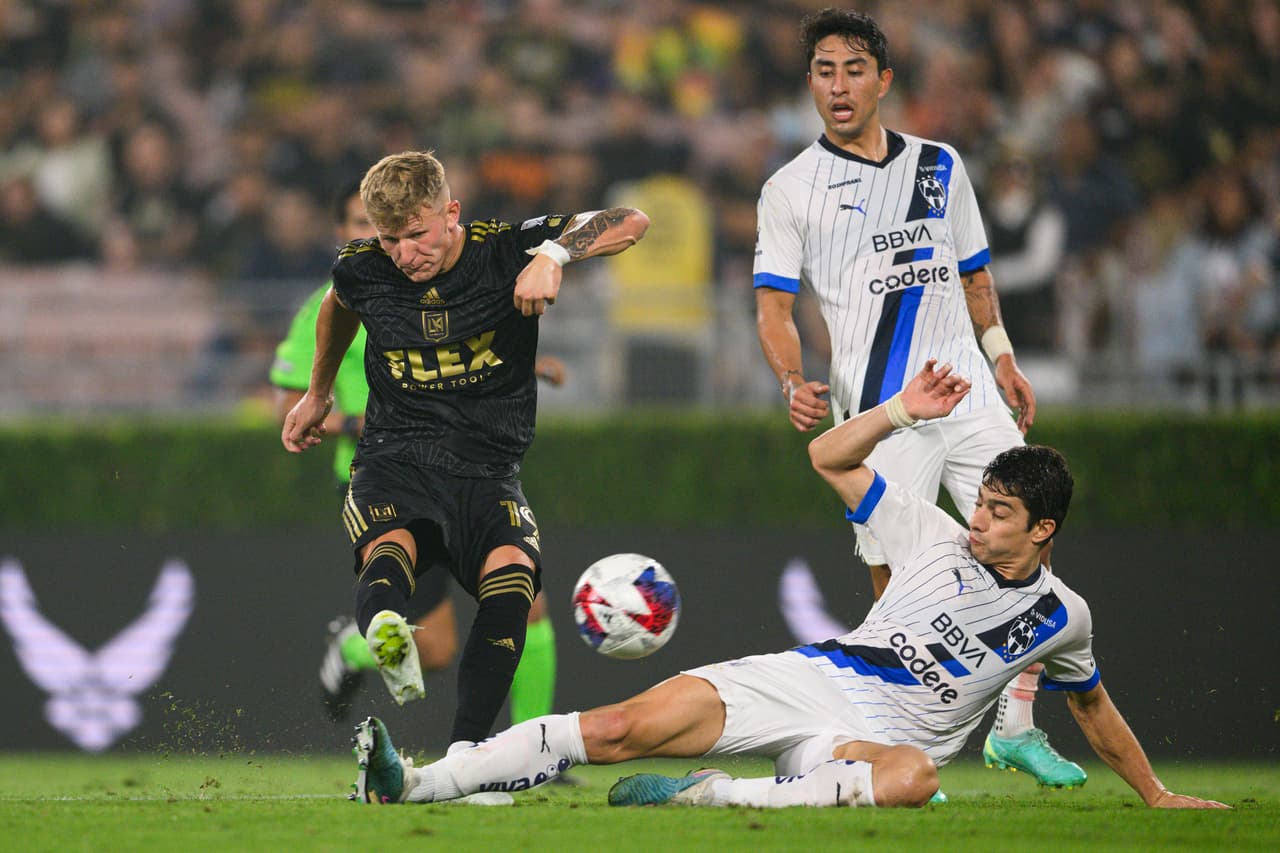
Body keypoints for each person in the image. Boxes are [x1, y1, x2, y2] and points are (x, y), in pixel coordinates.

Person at [348, 360, 1227, 811]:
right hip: (810, 676)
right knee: (619, 727)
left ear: (1044, 531)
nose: (982, 518)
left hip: (866, 746)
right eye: (984, 501)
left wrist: (1154, 794)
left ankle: (713, 799)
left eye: (1001, 512)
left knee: (916, 780)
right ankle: (415, 784)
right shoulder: (934, 532)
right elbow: (825, 455)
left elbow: (1096, 709)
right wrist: (898, 415)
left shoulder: (1062, 616)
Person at [751, 8, 1075, 787]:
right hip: (880, 410)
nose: (839, 85)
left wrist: (1003, 359)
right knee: (898, 590)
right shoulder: (791, 188)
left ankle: (1017, 723)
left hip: (964, 391)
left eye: (854, 69)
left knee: (1031, 532)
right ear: (811, 83)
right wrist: (793, 382)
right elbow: (773, 308)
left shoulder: (941, 164)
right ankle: (877, 741)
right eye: (825, 70)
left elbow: (974, 275)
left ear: (883, 80)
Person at [282, 151, 649, 751]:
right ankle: (382, 632)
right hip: (393, 458)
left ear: (451, 213)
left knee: (514, 582)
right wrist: (317, 393)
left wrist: (555, 255)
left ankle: (467, 755)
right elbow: (338, 304)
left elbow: (631, 220)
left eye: (417, 234)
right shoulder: (364, 267)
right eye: (391, 239)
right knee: (392, 546)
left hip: (486, 471)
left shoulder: (505, 250)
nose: (405, 254)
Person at [271, 179, 568, 726]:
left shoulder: (442, 275)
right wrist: (342, 415)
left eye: (408, 231)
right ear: (347, 235)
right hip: (387, 473)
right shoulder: (339, 297)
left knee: (512, 608)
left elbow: (452, 358)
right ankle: (358, 645)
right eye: (373, 231)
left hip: (464, 469)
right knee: (431, 646)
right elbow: (290, 401)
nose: (400, 250)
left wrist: (524, 361)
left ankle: (533, 738)